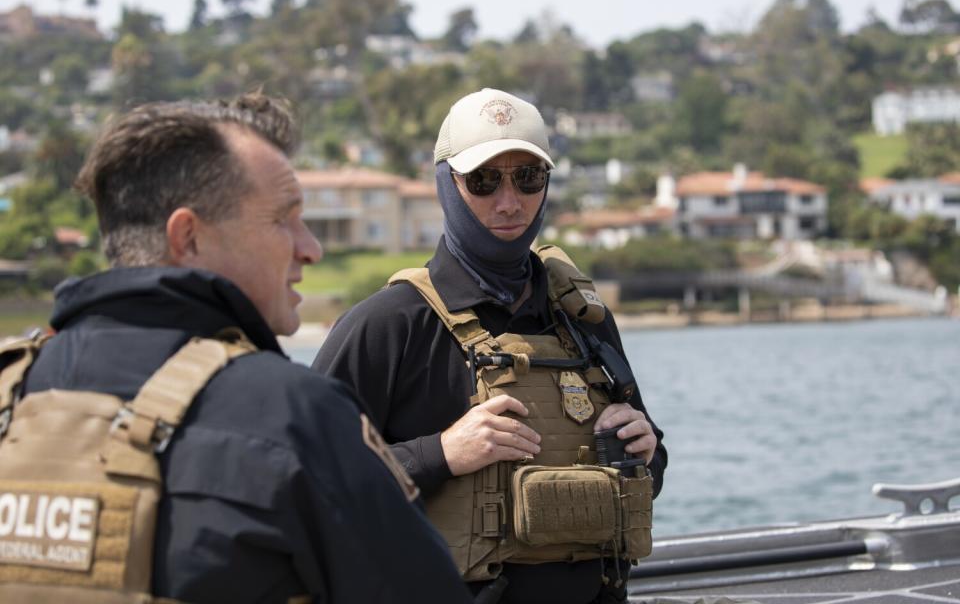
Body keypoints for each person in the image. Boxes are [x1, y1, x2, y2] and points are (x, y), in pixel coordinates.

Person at [3, 94, 472, 603]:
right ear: (188, 237)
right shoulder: (292, 415)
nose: (310, 248)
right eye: (283, 220)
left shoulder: (11, 390)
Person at [313, 88, 668, 604]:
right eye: (483, 181)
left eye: (528, 178)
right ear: (447, 185)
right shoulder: (389, 325)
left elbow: (650, 475)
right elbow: (308, 485)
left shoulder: (582, 317)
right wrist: (439, 454)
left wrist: (646, 449)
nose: (509, 201)